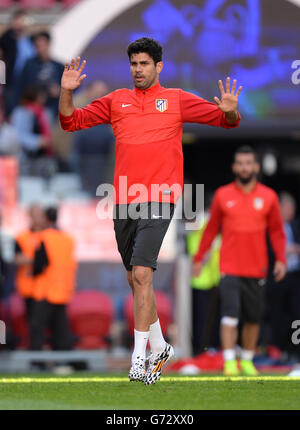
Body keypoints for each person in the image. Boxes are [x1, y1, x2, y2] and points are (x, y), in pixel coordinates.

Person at [58, 37, 242, 385]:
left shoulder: (175, 99)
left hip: (160, 197)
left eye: (144, 64)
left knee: (142, 275)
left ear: (159, 66)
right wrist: (66, 92)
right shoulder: (116, 101)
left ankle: (138, 359)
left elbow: (227, 122)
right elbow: (71, 122)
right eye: (134, 64)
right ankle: (159, 345)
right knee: (134, 279)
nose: (138, 70)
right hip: (124, 199)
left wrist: (230, 109)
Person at [193, 146, 287, 376]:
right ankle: (228, 362)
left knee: (253, 319)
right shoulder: (223, 195)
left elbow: (276, 232)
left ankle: (246, 359)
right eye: (240, 163)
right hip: (229, 267)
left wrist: (281, 259)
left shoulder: (269, 197)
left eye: (248, 163)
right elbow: (211, 229)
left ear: (255, 167)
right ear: (234, 167)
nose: (244, 167)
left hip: (257, 268)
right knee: (230, 315)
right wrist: (199, 258)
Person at [29, 207, 76, 351]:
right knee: (60, 330)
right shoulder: (68, 239)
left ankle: (36, 361)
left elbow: (39, 265)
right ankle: (63, 361)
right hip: (63, 290)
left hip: (46, 289)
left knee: (37, 327)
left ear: (46, 219)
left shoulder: (42, 237)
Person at [267, 192, 300, 361]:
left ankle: (295, 348)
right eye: (288, 206)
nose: (291, 210)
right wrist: (284, 251)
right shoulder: (271, 226)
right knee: (277, 314)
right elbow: (266, 250)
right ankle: (276, 349)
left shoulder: (295, 226)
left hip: (294, 276)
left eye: (292, 207)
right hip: (277, 277)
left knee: (296, 313)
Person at [17, 31, 64, 124]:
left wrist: (60, 91)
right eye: (37, 44)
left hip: (53, 107)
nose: (39, 47)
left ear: (48, 44)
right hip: (31, 108)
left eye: (41, 43)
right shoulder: (29, 65)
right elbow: (20, 87)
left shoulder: (59, 66)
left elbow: (72, 88)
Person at [10, 86, 55, 177]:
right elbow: (17, 135)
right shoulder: (21, 112)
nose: (44, 97)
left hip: (44, 157)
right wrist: (37, 141)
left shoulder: (45, 112)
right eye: (41, 95)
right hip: (26, 158)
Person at [0, 9, 35, 117]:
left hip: (28, 80)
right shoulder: (8, 38)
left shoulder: (29, 39)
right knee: (11, 109)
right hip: (12, 80)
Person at [14, 204, 47, 321]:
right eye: (34, 215)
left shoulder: (50, 236)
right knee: (33, 323)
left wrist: (29, 259)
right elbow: (17, 259)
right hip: (28, 287)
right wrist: (38, 260)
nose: (37, 218)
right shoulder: (22, 237)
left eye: (39, 215)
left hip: (48, 289)